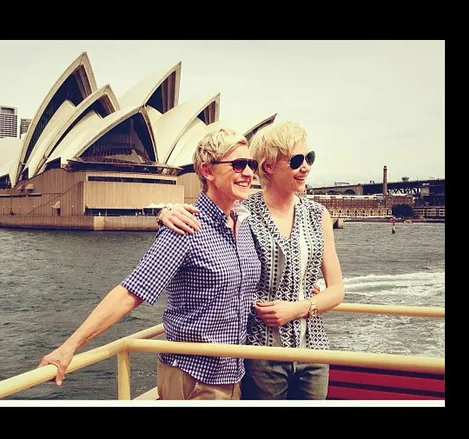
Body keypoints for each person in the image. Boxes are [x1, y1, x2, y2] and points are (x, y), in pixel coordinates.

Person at [38, 127, 261, 400]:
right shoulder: (186, 227)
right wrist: (68, 347)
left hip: (235, 373)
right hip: (194, 376)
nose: (248, 173)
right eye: (238, 164)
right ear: (207, 171)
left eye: (251, 164)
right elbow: (132, 292)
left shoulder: (244, 223)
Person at [157, 120, 345, 400]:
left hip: (313, 350)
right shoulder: (242, 213)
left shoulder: (319, 216)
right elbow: (205, 217)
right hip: (259, 352)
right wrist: (164, 213)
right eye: (296, 160)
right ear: (268, 166)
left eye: (310, 158)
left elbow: (337, 290)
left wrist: (299, 308)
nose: (305, 166)